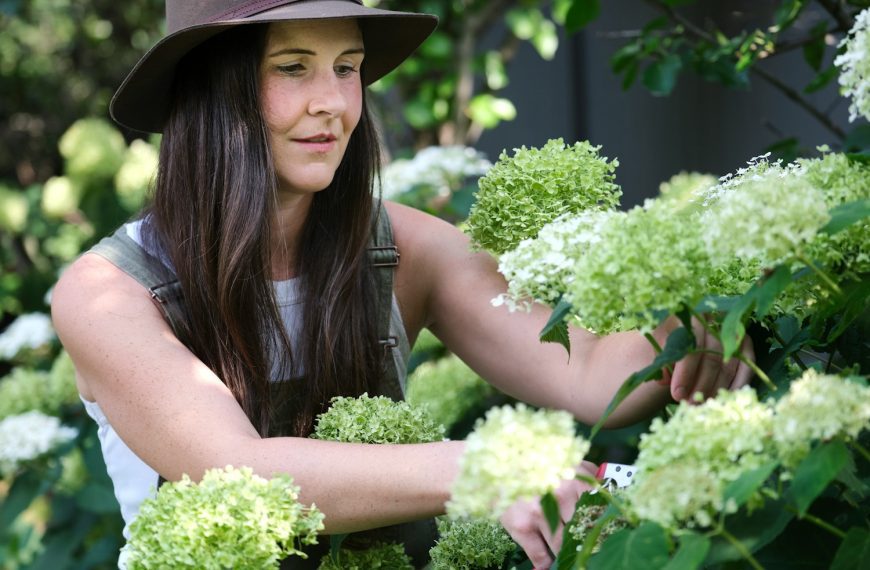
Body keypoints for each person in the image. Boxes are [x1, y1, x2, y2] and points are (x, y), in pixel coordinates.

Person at [50, 1, 753, 568]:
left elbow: (594, 372)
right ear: (212, 87)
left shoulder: (406, 246)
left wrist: (687, 323)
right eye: (294, 67)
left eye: (347, 67)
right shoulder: (109, 294)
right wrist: (491, 467)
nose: (333, 102)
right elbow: (239, 473)